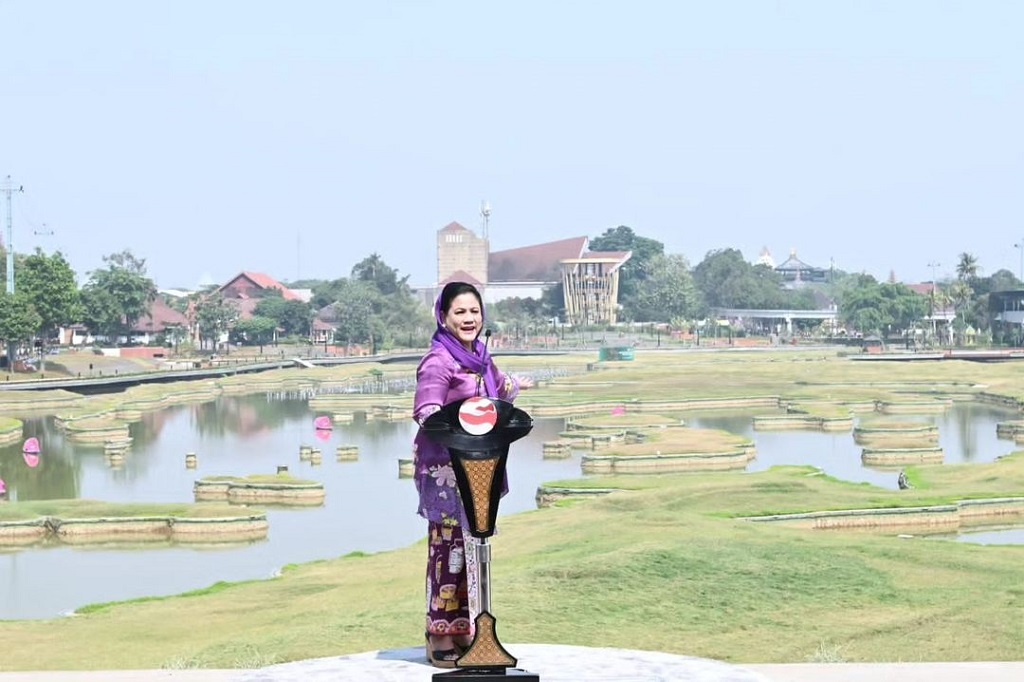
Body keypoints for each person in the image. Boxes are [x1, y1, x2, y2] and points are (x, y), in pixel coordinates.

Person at [412, 281, 533, 668]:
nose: (469, 319)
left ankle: (466, 630)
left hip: (480, 469)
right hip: (448, 473)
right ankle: (438, 634)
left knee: (472, 553)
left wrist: (515, 386)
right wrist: (456, 426)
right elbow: (427, 410)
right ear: (443, 316)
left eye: (474, 312)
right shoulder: (439, 360)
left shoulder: (480, 355)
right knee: (447, 554)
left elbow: (495, 390)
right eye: (460, 312)